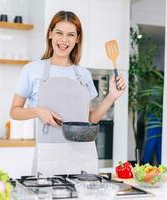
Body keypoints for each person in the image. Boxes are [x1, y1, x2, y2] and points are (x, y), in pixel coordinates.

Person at [10, 11, 126, 176]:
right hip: (50, 155)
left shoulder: (83, 74)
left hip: (83, 155)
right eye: (59, 33)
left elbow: (90, 119)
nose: (64, 40)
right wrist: (38, 111)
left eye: (71, 35)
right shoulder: (32, 69)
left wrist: (111, 97)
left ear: (77, 39)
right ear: (50, 34)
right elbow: (14, 111)